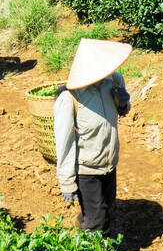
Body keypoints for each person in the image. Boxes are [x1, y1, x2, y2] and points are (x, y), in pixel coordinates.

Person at [55, 38, 132, 236]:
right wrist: (67, 181)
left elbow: (121, 112)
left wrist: (124, 104)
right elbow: (64, 143)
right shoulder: (70, 98)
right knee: (98, 224)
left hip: (109, 163)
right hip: (86, 170)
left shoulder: (114, 80)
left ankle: (85, 222)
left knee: (105, 209)